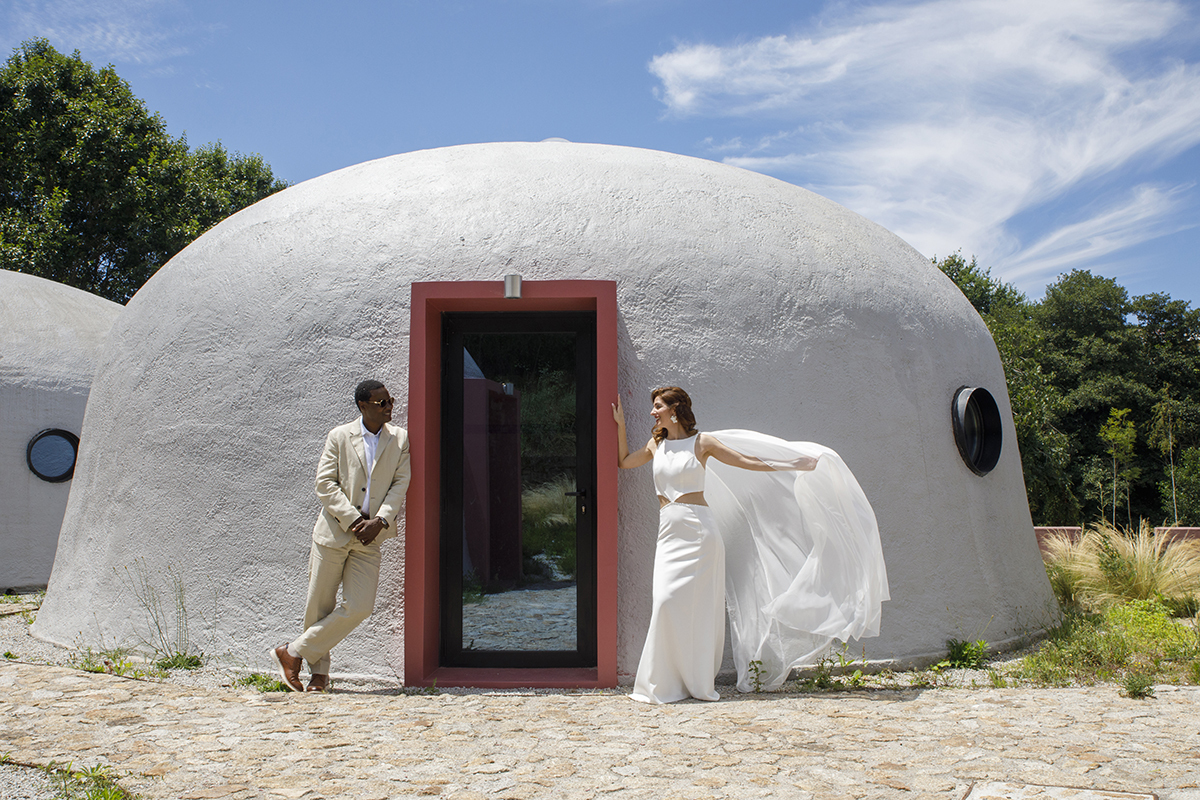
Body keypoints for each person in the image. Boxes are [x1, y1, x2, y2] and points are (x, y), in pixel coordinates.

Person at [614, 386, 888, 703]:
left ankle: (697, 681)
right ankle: (664, 682)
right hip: (669, 532)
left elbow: (746, 461)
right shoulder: (655, 445)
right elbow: (623, 462)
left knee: (699, 609)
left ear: (674, 410)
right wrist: (620, 425)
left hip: (699, 533)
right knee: (664, 601)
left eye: (658, 406)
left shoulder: (702, 443)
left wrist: (791, 465)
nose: (653, 412)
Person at [271, 380, 411, 692]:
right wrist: (351, 520)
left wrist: (381, 521)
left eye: (390, 401)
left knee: (360, 606)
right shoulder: (339, 436)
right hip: (334, 533)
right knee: (319, 605)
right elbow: (325, 484)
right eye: (381, 403)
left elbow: (400, 483)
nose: (389, 407)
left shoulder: (399, 439)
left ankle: (291, 653)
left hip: (371, 538)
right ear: (363, 406)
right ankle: (319, 676)